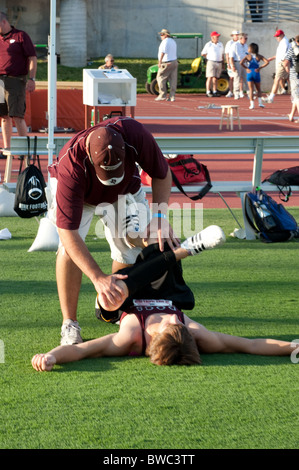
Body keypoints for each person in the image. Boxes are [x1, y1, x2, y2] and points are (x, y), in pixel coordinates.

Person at [31, 226, 298, 372]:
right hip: (164, 289)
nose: (173, 317)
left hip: (121, 298)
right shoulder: (195, 334)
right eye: (179, 323)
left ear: (156, 338)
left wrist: (51, 357)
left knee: (115, 294)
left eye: (169, 324)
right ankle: (173, 251)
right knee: (158, 243)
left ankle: (185, 251)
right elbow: (250, 345)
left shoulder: (131, 337)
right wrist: (292, 347)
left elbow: (82, 350)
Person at [48, 116, 179, 346]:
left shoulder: (135, 134)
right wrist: (97, 278)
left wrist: (160, 217)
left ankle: (119, 307)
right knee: (68, 251)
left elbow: (162, 173)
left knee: (127, 250)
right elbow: (68, 233)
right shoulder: (71, 166)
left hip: (125, 190)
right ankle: (69, 322)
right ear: (90, 158)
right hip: (82, 196)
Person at [0, 11, 37, 152]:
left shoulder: (21, 36)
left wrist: (32, 78)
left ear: (3, 22)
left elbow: (32, 58)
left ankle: (23, 150)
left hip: (15, 80)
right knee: (3, 116)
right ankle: (7, 148)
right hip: (0, 81)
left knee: (17, 115)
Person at [262, 30, 290, 104]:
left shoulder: (284, 42)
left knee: (277, 79)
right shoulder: (283, 42)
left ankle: (271, 97)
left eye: (278, 36)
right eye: (276, 36)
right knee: (290, 78)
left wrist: (284, 64)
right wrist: (272, 58)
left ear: (282, 35)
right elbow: (280, 54)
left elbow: (284, 55)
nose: (276, 38)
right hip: (281, 63)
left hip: (282, 63)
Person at [240, 43, 269, 109]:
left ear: (250, 49)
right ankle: (260, 103)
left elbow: (241, 62)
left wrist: (246, 68)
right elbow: (267, 62)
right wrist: (260, 68)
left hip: (249, 72)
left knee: (251, 89)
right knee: (258, 89)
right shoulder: (259, 56)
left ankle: (252, 104)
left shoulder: (247, 56)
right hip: (256, 72)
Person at [155, 29, 178, 102]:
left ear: (166, 35)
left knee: (160, 77)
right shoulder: (173, 41)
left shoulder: (164, 42)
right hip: (174, 62)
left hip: (166, 62)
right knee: (172, 79)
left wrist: (160, 62)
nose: (161, 36)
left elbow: (162, 52)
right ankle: (172, 96)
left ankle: (162, 95)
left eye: (162, 34)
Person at [201, 31, 224, 97]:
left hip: (219, 62)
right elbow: (203, 53)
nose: (217, 38)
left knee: (216, 78)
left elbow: (222, 54)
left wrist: (223, 64)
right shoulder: (208, 44)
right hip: (211, 62)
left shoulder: (220, 44)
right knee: (210, 77)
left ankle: (215, 91)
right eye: (216, 37)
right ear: (212, 37)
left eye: (218, 37)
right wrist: (208, 57)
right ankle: (208, 91)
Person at [283, 35, 299, 123]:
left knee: (296, 97)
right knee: (296, 97)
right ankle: (291, 115)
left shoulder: (292, 49)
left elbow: (285, 63)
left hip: (295, 76)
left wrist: (285, 68)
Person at [229, 33, 249, 99]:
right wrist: (233, 66)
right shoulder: (235, 45)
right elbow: (231, 56)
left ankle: (249, 93)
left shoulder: (246, 45)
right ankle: (236, 93)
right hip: (237, 62)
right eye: (245, 38)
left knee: (246, 78)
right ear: (240, 38)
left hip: (245, 63)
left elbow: (247, 54)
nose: (246, 40)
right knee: (237, 78)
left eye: (246, 38)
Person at [224, 30, 240, 98]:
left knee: (240, 77)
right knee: (232, 77)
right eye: (235, 35)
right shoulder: (229, 43)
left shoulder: (240, 42)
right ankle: (230, 91)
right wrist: (228, 64)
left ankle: (240, 92)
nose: (237, 36)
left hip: (239, 62)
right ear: (232, 36)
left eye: (237, 35)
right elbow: (227, 54)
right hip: (232, 62)